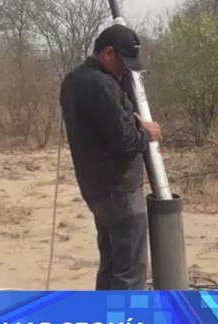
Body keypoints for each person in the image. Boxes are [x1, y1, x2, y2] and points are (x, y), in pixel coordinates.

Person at [59, 23, 163, 290]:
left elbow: (100, 127)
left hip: (95, 189)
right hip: (120, 191)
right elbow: (126, 142)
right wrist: (148, 133)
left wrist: (129, 119)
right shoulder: (104, 85)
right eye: (124, 63)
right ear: (108, 53)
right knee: (130, 271)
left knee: (110, 264)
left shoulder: (72, 81)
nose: (126, 70)